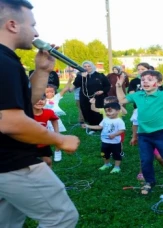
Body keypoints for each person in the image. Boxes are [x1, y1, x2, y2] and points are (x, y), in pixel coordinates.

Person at [0, 0, 79, 227]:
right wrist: (60, 139)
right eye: (33, 25)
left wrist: (42, 70)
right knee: (61, 217)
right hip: (12, 162)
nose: (36, 32)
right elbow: (10, 122)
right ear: (13, 25)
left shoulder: (8, 61)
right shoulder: (3, 62)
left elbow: (25, 103)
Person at [116, 70, 163, 194]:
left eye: (150, 79)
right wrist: (119, 86)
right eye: (143, 79)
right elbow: (122, 100)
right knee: (146, 160)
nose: (145, 81)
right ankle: (149, 182)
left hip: (161, 134)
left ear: (159, 83)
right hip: (144, 135)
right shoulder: (138, 95)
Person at [85, 102, 126, 173]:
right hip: (105, 141)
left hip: (115, 142)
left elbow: (122, 130)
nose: (107, 113)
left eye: (110, 111)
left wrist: (114, 134)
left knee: (117, 155)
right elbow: (100, 126)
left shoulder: (119, 121)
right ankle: (107, 164)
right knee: (104, 154)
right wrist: (88, 126)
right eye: (106, 111)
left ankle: (117, 167)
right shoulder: (105, 119)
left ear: (118, 111)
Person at [44, 73, 74, 161]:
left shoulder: (56, 98)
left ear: (54, 92)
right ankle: (46, 151)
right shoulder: (40, 99)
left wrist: (69, 81)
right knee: (45, 137)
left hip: (55, 121)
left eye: (52, 92)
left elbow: (65, 89)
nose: (49, 93)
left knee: (57, 136)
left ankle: (57, 151)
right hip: (45, 120)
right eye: (47, 92)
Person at [71, 61, 111, 127]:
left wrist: (102, 91)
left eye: (89, 66)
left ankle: (101, 125)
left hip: (98, 97)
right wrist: (83, 77)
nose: (87, 68)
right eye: (85, 66)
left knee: (98, 111)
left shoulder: (100, 75)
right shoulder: (80, 76)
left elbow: (107, 86)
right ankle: (92, 126)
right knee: (86, 110)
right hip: (85, 97)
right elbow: (76, 84)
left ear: (92, 67)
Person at [33, 95, 59, 168]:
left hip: (43, 142)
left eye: (42, 99)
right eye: (36, 99)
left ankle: (49, 177)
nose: (40, 101)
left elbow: (54, 120)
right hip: (28, 143)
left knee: (48, 161)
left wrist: (57, 133)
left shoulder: (49, 112)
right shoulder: (25, 114)